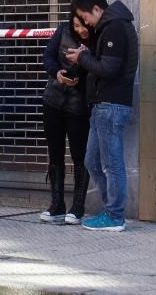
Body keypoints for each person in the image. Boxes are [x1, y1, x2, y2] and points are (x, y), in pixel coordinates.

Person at [66, 0, 138, 232]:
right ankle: (111, 210)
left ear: (97, 9)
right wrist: (88, 54)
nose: (85, 23)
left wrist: (83, 58)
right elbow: (106, 63)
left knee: (111, 162)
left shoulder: (115, 28)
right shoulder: (110, 27)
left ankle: (115, 215)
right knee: (92, 160)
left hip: (111, 105)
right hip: (102, 105)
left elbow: (109, 69)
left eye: (86, 17)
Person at [40, 14, 91, 225]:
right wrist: (57, 72)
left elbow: (100, 68)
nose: (80, 29)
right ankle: (57, 204)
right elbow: (48, 56)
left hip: (79, 105)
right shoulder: (62, 30)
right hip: (53, 99)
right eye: (77, 25)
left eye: (83, 25)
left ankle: (78, 206)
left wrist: (83, 67)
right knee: (55, 154)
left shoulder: (97, 37)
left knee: (80, 156)